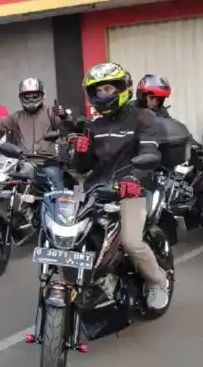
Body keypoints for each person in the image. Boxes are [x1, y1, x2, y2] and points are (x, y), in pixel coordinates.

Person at [71, 62, 170, 310]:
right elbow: (83, 168)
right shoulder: (95, 125)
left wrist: (134, 178)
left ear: (121, 88)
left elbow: (150, 153)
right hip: (96, 190)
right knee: (70, 236)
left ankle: (158, 281)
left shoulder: (142, 118)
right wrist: (80, 152)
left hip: (131, 190)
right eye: (98, 90)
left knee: (131, 242)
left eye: (108, 88)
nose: (103, 94)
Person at [0, 77, 75, 189]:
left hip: (47, 163)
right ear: (21, 97)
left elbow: (69, 128)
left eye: (34, 96)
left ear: (42, 95)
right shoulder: (16, 117)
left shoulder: (50, 113)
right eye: (27, 96)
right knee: (10, 190)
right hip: (23, 163)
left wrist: (64, 116)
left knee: (58, 191)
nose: (31, 99)